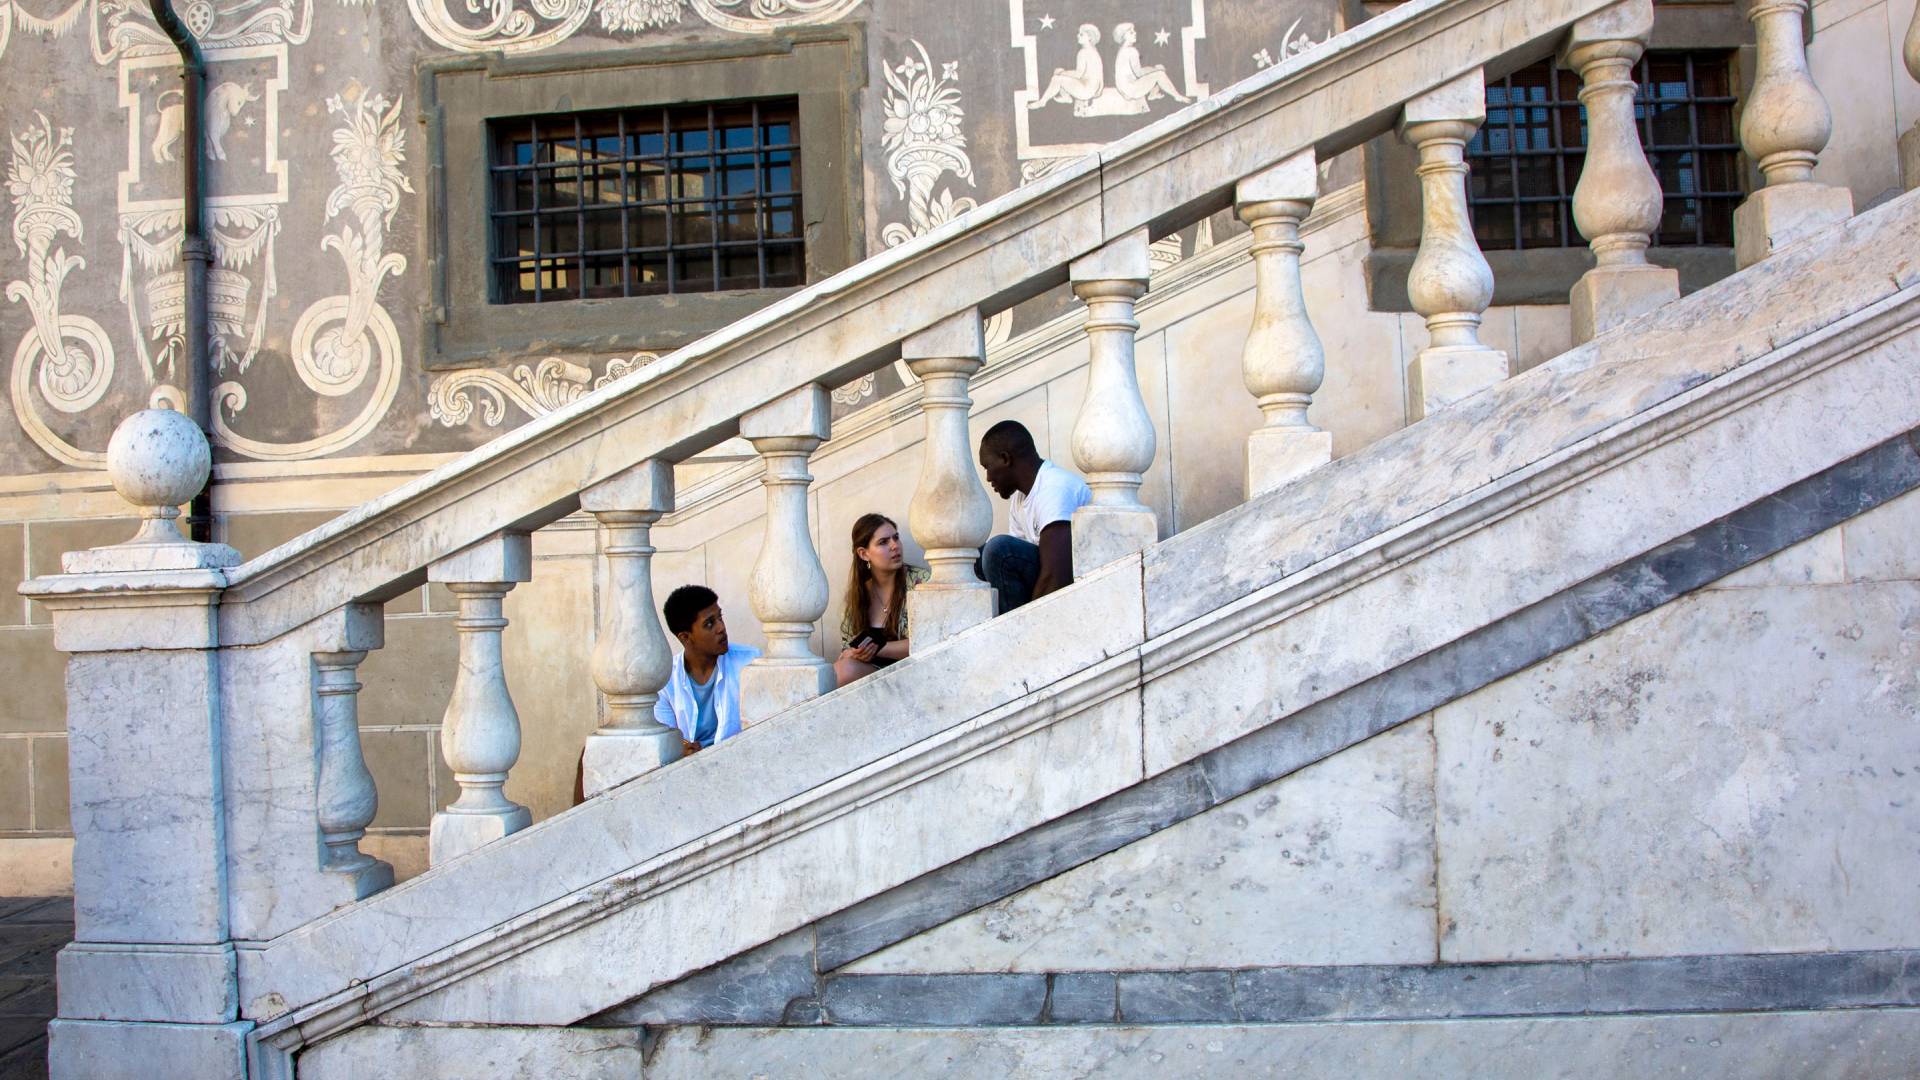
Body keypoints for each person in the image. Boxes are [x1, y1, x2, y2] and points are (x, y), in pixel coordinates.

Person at [976, 420, 1091, 613]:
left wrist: (1026, 622)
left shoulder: (1053, 489)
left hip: (1079, 584)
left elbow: (1057, 575)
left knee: (998, 550)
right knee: (974, 558)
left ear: (1005, 459)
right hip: (1046, 582)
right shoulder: (1019, 499)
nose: (988, 477)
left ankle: (1013, 629)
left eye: (987, 466)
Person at [656, 585, 760, 755]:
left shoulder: (750, 662)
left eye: (720, 617)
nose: (721, 628)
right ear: (685, 637)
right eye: (710, 623)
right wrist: (681, 750)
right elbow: (665, 742)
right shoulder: (665, 680)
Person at [834, 513, 929, 687]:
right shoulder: (857, 597)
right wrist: (854, 653)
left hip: (917, 671)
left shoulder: (920, 582)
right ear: (864, 554)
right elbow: (846, 651)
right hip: (875, 676)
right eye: (883, 542)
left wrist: (878, 648)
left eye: (896, 538)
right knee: (839, 672)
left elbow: (930, 639)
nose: (895, 546)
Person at [1031, 23, 1106, 112]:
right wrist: (1099, 91)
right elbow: (1100, 76)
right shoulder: (1094, 52)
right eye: (1078, 33)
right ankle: (1066, 97)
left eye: (1081, 34)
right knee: (1060, 73)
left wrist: (1062, 73)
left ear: (1089, 37)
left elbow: (1078, 74)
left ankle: (1042, 102)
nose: (1078, 36)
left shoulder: (1083, 52)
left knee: (1056, 78)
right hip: (1093, 89)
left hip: (1086, 90)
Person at [1112, 23, 1191, 106]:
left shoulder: (1122, 50)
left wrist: (1153, 69)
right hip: (1131, 89)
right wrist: (1156, 69)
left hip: (1123, 89)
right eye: (1131, 32)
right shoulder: (1131, 51)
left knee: (1155, 72)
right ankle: (1177, 96)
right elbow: (1138, 73)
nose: (1135, 33)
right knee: (1160, 74)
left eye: (1134, 31)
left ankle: (1153, 94)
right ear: (1124, 37)